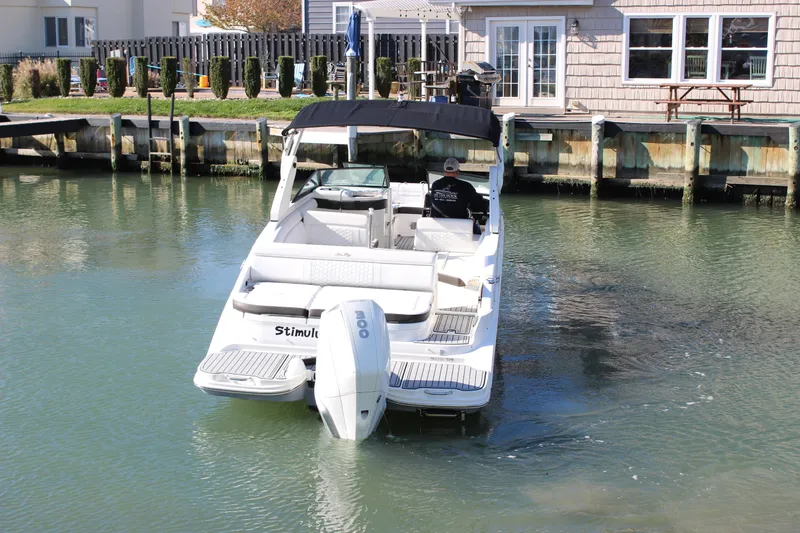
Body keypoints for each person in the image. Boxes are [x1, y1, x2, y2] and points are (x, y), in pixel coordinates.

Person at [429, 158, 489, 227]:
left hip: (437, 226)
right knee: (477, 227)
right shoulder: (466, 186)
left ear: (444, 170)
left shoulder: (435, 184)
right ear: (457, 172)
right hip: (459, 226)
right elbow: (478, 203)